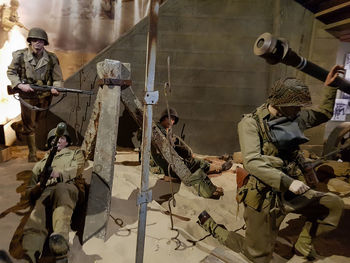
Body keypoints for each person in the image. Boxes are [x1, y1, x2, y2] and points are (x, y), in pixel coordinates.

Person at [198, 65, 345, 262]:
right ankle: (212, 226)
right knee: (258, 257)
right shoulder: (251, 124)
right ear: (282, 103)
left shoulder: (294, 117)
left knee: (332, 205)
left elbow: (324, 114)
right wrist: (288, 182)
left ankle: (304, 244)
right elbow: (252, 162)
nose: (301, 110)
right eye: (297, 105)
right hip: (264, 195)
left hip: (291, 192)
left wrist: (332, 86)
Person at [22, 126, 85, 263]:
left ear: (67, 142)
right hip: (46, 191)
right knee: (36, 215)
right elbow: (29, 190)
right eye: (53, 139)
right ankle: (29, 253)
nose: (57, 141)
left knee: (62, 192)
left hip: (68, 186)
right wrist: (37, 188)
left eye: (61, 138)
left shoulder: (75, 153)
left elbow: (78, 167)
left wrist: (60, 174)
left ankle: (60, 246)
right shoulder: (40, 164)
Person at [7, 27, 63, 162]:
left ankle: (19, 126)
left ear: (45, 43)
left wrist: (56, 88)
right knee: (31, 126)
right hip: (27, 96)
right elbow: (11, 72)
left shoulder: (51, 58)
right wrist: (20, 85)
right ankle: (32, 154)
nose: (38, 43)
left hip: (44, 96)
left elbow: (57, 78)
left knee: (37, 122)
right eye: (35, 40)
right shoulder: (20, 56)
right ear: (30, 42)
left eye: (41, 41)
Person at [151, 108, 232, 199]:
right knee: (196, 163)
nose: (172, 121)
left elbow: (174, 143)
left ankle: (218, 168)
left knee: (196, 161)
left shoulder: (165, 131)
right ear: (164, 118)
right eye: (170, 118)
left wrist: (187, 152)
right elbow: (166, 149)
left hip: (169, 159)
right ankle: (219, 169)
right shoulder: (158, 131)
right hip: (167, 162)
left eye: (174, 120)